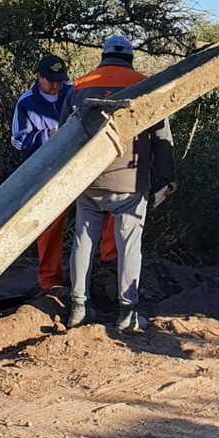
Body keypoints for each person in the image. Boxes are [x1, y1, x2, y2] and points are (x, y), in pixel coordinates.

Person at [66, 35, 176, 333]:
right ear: (130, 58)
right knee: (129, 247)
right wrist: (165, 179)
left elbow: (64, 134)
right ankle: (127, 314)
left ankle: (78, 308)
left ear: (103, 57)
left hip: (88, 180)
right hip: (131, 180)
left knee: (82, 243)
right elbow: (162, 140)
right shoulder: (146, 84)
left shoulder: (80, 85)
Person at [11, 54, 114, 294]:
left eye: (60, 80)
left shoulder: (74, 91)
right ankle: (50, 281)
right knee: (49, 226)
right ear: (39, 77)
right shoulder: (26, 103)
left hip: (79, 167)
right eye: (51, 81)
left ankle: (108, 266)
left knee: (107, 206)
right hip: (45, 172)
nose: (57, 86)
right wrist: (48, 135)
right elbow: (18, 140)